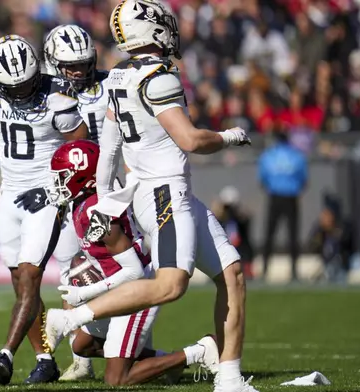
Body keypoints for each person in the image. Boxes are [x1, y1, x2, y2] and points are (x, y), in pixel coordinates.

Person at [43, 2, 257, 392]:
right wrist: (230, 136)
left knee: (232, 273)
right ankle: (71, 319)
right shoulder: (159, 78)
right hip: (164, 192)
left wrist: (106, 198)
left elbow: (107, 148)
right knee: (170, 284)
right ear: (152, 29)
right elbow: (190, 139)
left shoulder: (120, 76)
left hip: (155, 191)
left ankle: (229, 379)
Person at [21, 139, 220, 385]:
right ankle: (167, 363)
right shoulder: (83, 203)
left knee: (117, 378)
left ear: (83, 177)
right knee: (84, 344)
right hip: (120, 285)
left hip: (138, 291)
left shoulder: (98, 212)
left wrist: (86, 291)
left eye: (63, 176)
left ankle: (198, 352)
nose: (57, 183)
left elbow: (134, 271)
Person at [0, 34, 88, 385]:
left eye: (25, 83)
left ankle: (6, 353)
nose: (22, 92)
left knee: (30, 276)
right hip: (9, 196)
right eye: (14, 86)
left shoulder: (58, 97)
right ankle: (45, 360)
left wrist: (57, 189)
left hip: (47, 196)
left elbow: (85, 151)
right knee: (20, 282)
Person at [42, 23, 110, 381]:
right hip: (74, 193)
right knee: (69, 272)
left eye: (84, 63)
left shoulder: (114, 84)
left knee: (125, 272)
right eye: (70, 66)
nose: (79, 71)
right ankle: (81, 358)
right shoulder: (46, 94)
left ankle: (134, 348)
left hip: (113, 189)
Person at [258, 131, 308, 281]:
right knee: (293, 234)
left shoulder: (268, 155)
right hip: (291, 197)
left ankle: (265, 269)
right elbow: (303, 179)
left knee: (269, 234)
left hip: (275, 196)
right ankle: (294, 270)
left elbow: (262, 178)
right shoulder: (297, 156)